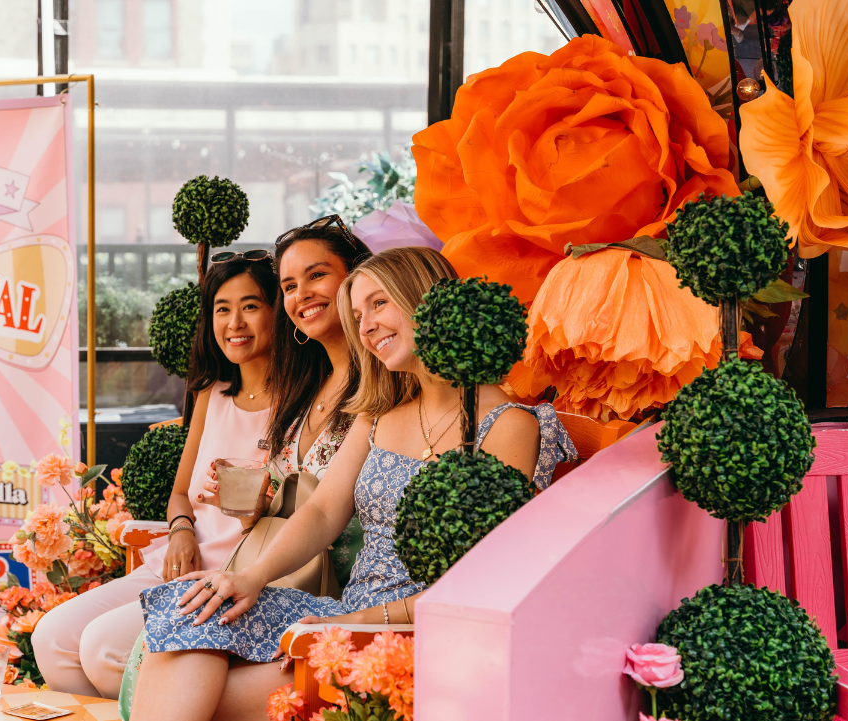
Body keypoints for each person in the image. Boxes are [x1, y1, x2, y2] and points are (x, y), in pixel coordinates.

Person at [130, 247, 577, 721]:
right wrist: (249, 578)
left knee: (199, 700)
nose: (365, 327)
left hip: (409, 632)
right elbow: (322, 512)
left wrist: (349, 623)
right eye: (358, 315)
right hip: (349, 610)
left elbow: (482, 580)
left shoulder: (507, 425)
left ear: (426, 299)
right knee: (195, 606)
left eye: (379, 304)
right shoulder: (381, 412)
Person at [32, 253, 278, 698]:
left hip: (234, 578)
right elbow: (180, 492)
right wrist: (181, 530)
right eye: (222, 308)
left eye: (251, 305)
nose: (235, 322)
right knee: (51, 639)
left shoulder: (301, 405)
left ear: (276, 311)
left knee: (103, 649)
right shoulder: (212, 393)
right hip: (179, 561)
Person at [200, 215, 372, 588]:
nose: (302, 294)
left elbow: (327, 511)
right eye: (289, 286)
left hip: (341, 592)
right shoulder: (303, 391)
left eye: (316, 275)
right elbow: (279, 513)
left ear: (357, 279)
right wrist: (253, 510)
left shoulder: (382, 390)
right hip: (274, 579)